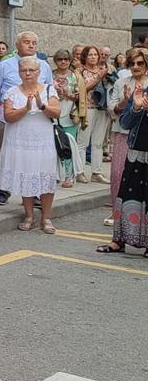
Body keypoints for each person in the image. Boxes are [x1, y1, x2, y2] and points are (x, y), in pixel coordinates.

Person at [0, 57, 61, 233]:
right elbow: (8, 116)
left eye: (31, 70)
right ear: (19, 72)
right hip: (20, 142)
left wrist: (41, 105)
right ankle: (29, 215)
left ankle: (46, 218)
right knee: (26, 175)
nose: (27, 73)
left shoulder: (49, 89)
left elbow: (56, 112)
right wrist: (25, 108)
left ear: (39, 72)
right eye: (24, 70)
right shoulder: (12, 91)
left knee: (46, 176)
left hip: (43, 142)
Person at [0, 31, 52, 205]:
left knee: (35, 156)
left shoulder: (44, 66)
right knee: (8, 154)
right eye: (26, 42)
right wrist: (11, 104)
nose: (31, 45)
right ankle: (4, 190)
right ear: (17, 45)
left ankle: (35, 192)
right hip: (12, 118)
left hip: (37, 121)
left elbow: (48, 89)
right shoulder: (5, 64)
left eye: (34, 42)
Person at [100, 53, 148, 254]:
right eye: (133, 63)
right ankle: (119, 240)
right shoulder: (135, 89)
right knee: (128, 195)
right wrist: (135, 106)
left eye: (140, 63)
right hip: (136, 151)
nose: (136, 66)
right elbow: (126, 122)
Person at [75, 46, 111, 184]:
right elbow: (82, 89)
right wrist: (98, 78)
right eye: (90, 54)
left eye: (95, 54)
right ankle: (79, 172)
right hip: (87, 109)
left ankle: (96, 172)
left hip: (102, 109)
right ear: (85, 56)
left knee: (98, 143)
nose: (93, 57)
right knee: (82, 142)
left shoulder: (103, 70)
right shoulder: (80, 71)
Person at [51, 48, 84, 189]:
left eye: (66, 59)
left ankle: (69, 176)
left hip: (70, 114)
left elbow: (80, 95)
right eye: (60, 59)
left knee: (69, 144)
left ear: (70, 60)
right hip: (53, 114)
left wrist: (66, 94)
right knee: (53, 145)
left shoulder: (75, 75)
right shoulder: (50, 75)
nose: (63, 61)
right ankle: (55, 174)